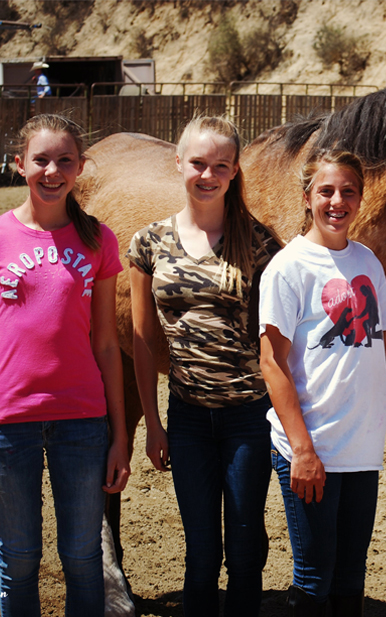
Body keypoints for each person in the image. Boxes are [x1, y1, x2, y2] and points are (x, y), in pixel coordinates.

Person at [259, 149, 386, 616]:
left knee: (350, 577)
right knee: (314, 579)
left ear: (360, 199)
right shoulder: (288, 267)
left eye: (348, 192)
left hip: (361, 447)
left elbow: (378, 349)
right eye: (326, 191)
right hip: (312, 445)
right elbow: (272, 363)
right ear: (307, 198)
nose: (338, 201)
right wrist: (302, 450)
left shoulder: (368, 262)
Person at [127, 116, 281, 617]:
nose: (207, 174)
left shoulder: (260, 244)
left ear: (235, 171)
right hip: (187, 417)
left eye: (220, 165)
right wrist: (153, 422)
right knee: (200, 555)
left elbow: (277, 340)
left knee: (243, 550)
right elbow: (144, 339)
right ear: (179, 163)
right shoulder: (148, 243)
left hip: (248, 418)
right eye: (198, 163)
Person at [0, 114, 130, 616]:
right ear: (19, 165)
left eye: (65, 160)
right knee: (18, 559)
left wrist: (119, 433)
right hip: (10, 425)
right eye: (40, 160)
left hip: (82, 423)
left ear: (80, 168)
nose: (52, 171)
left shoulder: (98, 240)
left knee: (82, 558)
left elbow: (105, 344)